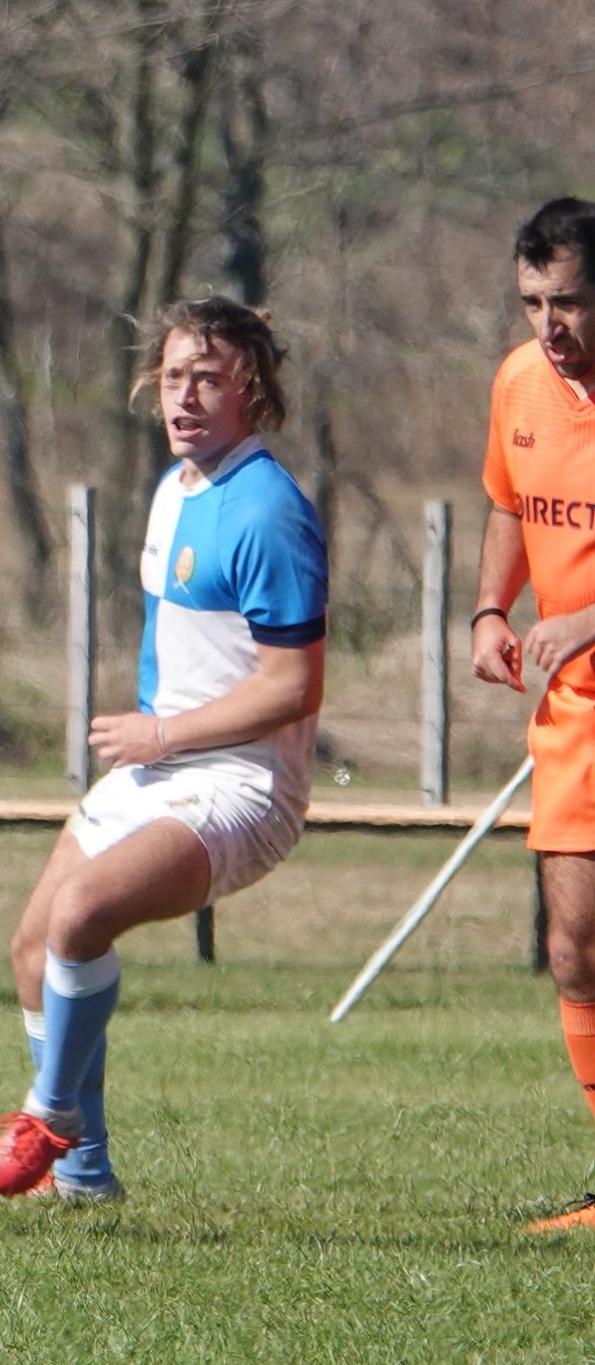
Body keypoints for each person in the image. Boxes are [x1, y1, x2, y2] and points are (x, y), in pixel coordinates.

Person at [0, 297, 326, 1202]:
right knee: (31, 948)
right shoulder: (175, 490)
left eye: (208, 377)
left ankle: (53, 1120)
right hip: (162, 767)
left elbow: (293, 688)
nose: (185, 396)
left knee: (81, 912)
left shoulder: (270, 511)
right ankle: (84, 1178)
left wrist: (158, 732)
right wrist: (155, 741)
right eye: (172, 377)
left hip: (243, 785)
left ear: (254, 390)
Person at [469, 198, 595, 1234]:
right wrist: (486, 608)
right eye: (530, 303)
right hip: (575, 709)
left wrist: (583, 618)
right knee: (573, 948)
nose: (547, 325)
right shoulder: (519, 381)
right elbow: (509, 505)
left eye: (567, 303)